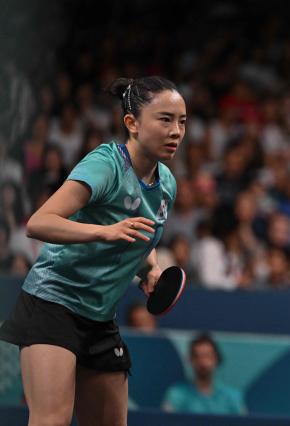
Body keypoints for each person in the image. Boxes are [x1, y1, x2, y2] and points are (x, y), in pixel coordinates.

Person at [0, 76, 186, 426]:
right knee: (51, 419)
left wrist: (150, 268)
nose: (176, 130)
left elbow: (139, 239)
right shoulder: (106, 165)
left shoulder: (167, 185)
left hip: (100, 318)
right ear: (132, 123)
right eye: (165, 119)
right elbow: (39, 222)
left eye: (182, 121)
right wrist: (105, 232)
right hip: (53, 302)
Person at [162, 333, 246, 415]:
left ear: (216, 359)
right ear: (190, 360)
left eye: (207, 356)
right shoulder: (176, 394)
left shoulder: (232, 397)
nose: (202, 362)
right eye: (197, 356)